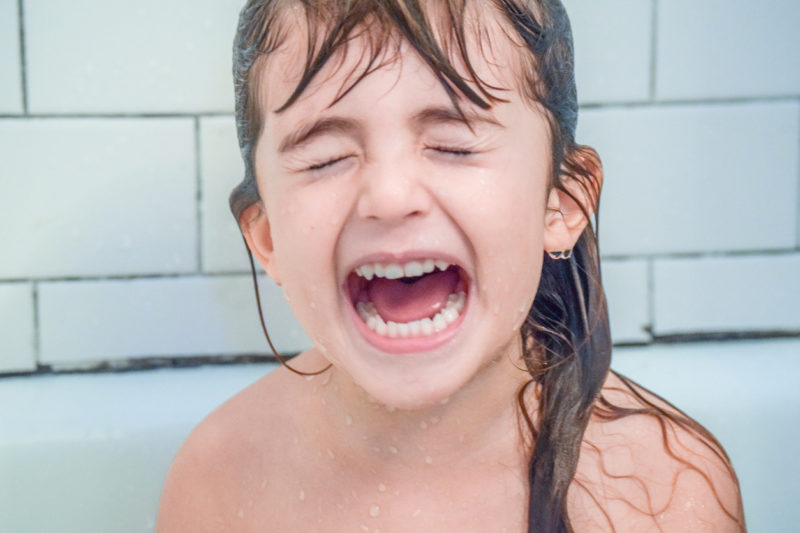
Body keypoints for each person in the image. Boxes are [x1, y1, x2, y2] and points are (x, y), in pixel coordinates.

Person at [157, 1, 745, 531]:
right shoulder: (221, 474)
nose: (388, 195)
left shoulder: (660, 492)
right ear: (266, 240)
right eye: (326, 157)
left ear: (561, 203)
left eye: (453, 145)